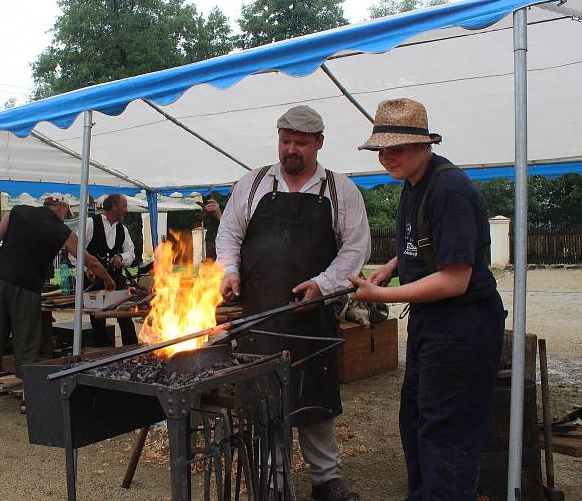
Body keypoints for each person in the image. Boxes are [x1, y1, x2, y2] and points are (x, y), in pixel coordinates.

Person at [349, 98, 506, 499]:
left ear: (424, 145)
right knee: (416, 418)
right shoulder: (414, 184)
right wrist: (390, 265)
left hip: (462, 324)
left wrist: (381, 292)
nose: (386, 157)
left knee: (446, 431)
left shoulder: (449, 189)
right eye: (381, 149)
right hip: (432, 323)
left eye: (395, 147)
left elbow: (455, 279)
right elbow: (424, 244)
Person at [216, 105, 370, 501]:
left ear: (319, 143)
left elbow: (355, 250)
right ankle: (273, 479)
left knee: (316, 395)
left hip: (313, 318)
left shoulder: (340, 190)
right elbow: (228, 238)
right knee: (265, 400)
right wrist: (230, 272)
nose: (291, 150)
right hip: (262, 319)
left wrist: (323, 285)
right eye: (286, 141)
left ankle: (326, 478)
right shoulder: (251, 185)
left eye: (301, 143)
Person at [0, 196, 115, 411]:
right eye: (67, 212)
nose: (66, 217)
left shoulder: (17, 212)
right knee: (26, 338)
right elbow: (88, 259)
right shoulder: (61, 231)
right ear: (62, 208)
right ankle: (28, 396)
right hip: (27, 287)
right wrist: (108, 280)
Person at [81, 193, 138, 347]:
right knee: (98, 320)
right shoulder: (90, 223)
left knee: (125, 315)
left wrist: (121, 257)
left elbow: (131, 253)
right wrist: (87, 267)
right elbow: (76, 250)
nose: (126, 210)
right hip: (94, 281)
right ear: (113, 206)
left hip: (115, 280)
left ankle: (132, 349)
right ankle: (105, 353)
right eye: (124, 206)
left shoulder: (122, 229)